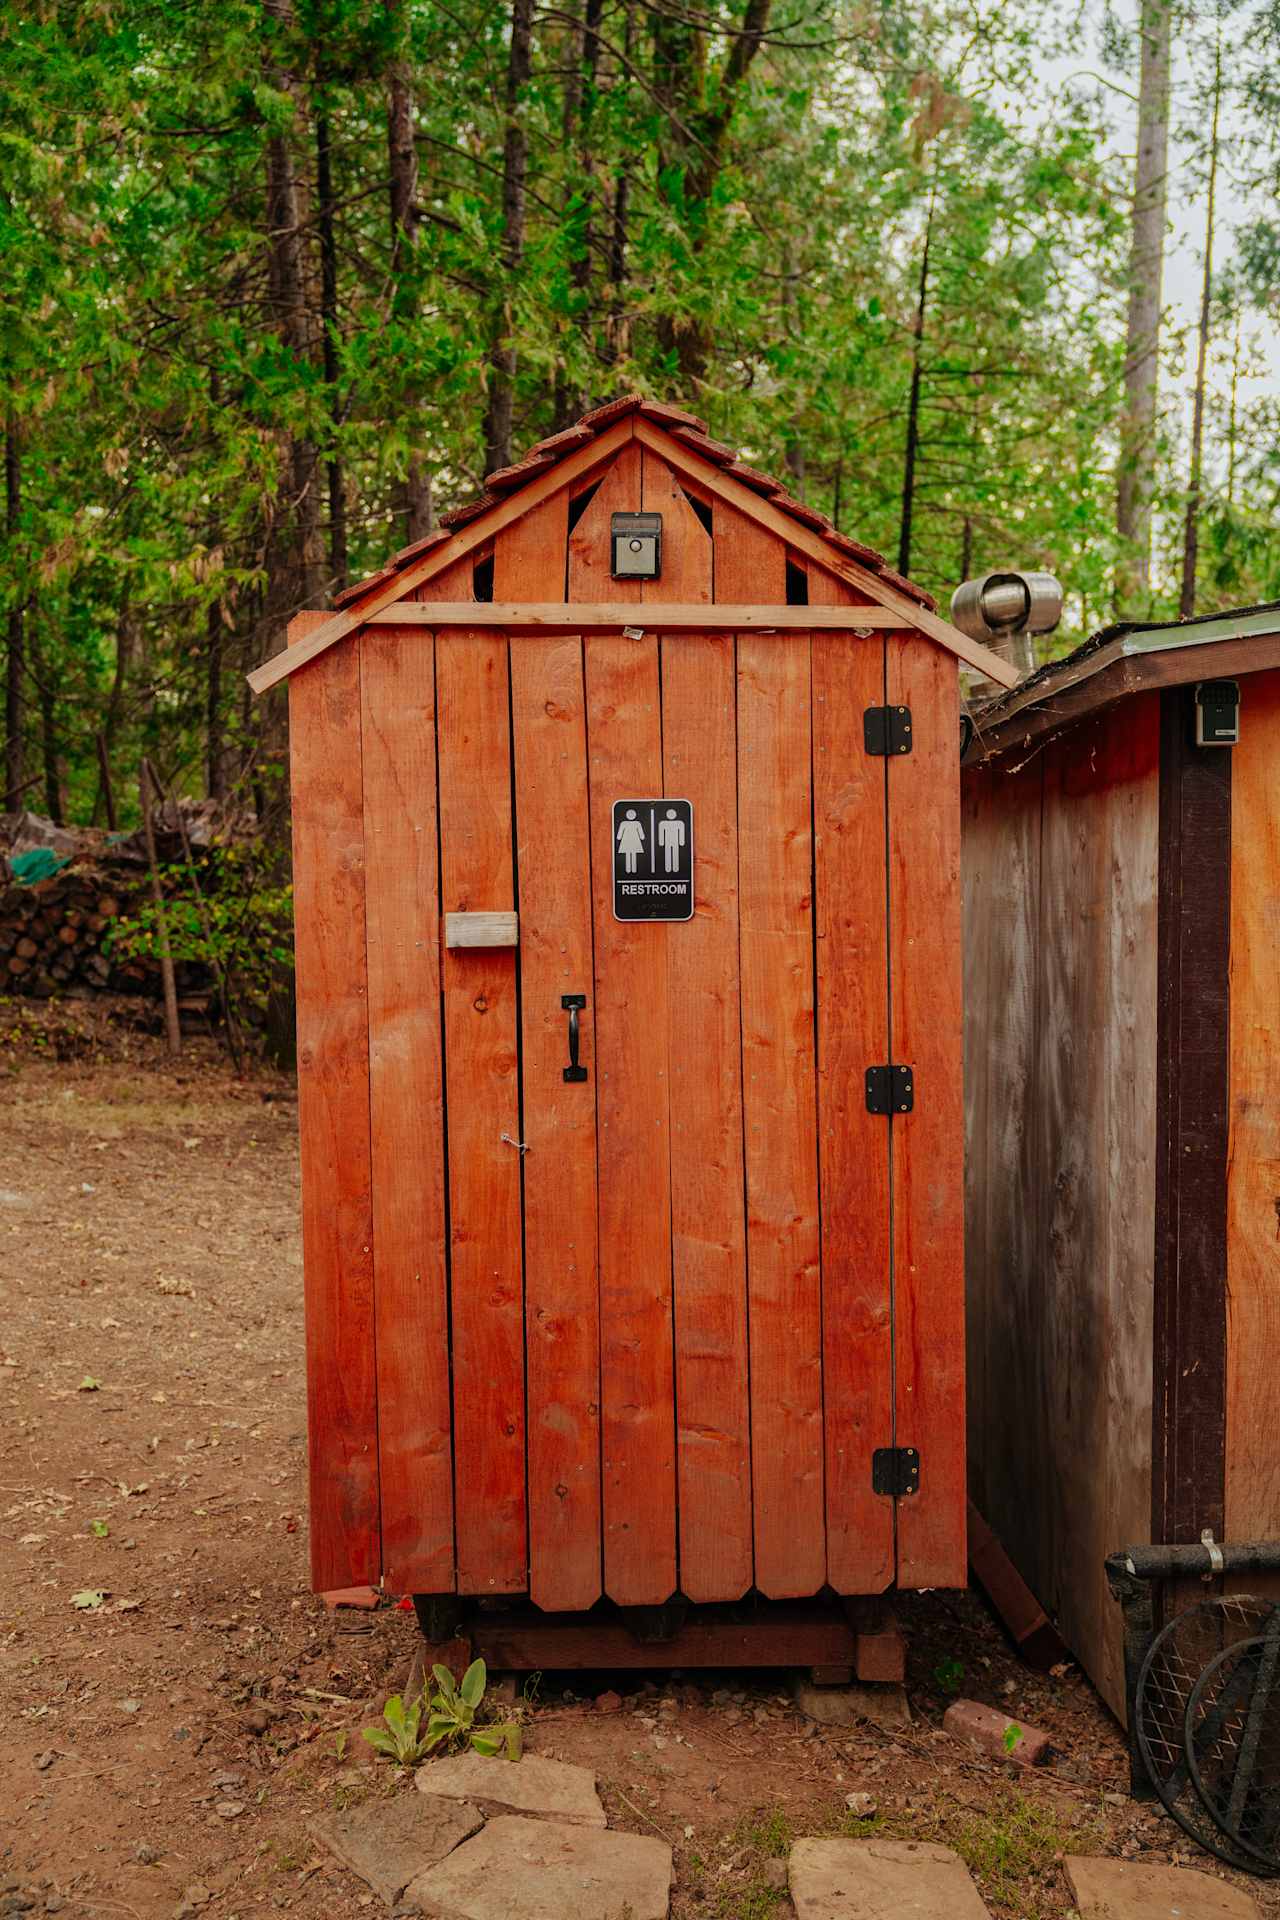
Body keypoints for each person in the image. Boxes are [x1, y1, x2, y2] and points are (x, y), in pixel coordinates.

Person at [616, 808, 645, 874]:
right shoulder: (625, 823)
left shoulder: (636, 823)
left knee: (631, 854)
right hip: (629, 841)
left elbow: (641, 833)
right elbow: (620, 833)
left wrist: (619, 837)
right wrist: (642, 837)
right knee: (629, 854)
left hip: (630, 841)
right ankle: (629, 870)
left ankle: (632, 870)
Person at [657, 807, 685, 873]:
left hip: (675, 841)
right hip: (667, 842)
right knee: (668, 854)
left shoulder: (680, 823)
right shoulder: (663, 823)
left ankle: (675, 868)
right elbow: (661, 833)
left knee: (675, 854)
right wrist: (661, 842)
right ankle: (668, 868)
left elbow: (681, 833)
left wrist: (681, 842)